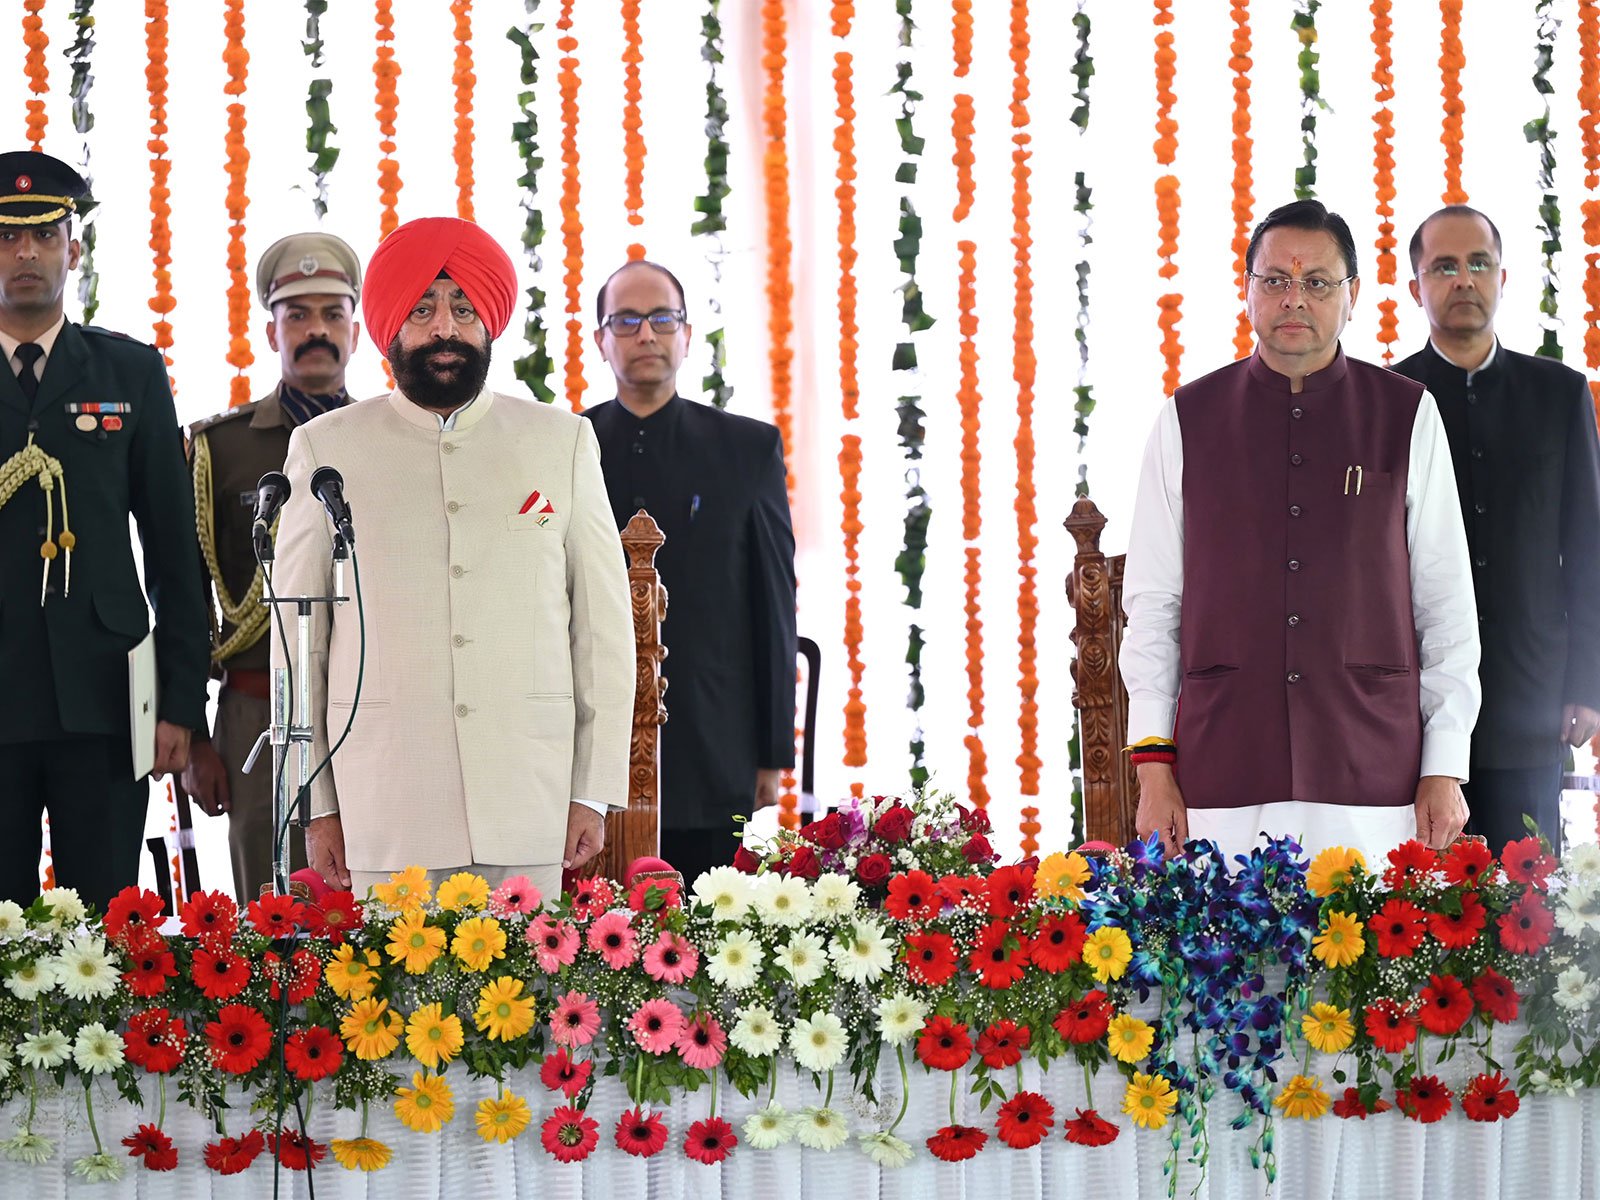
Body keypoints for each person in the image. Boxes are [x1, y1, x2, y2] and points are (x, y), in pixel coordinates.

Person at [271, 216, 633, 902]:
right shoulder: (324, 448)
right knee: (389, 977)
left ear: (489, 323)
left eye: (464, 309)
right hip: (382, 800)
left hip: (530, 795)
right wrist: (315, 802)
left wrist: (592, 788)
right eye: (423, 309)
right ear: (389, 326)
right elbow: (299, 643)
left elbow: (603, 634)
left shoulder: (561, 442)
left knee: (529, 977)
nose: (445, 328)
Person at [1119, 199, 1481, 867]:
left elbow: (1446, 604)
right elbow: (1153, 606)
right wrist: (1153, 765)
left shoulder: (1405, 414)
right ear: (1247, 290)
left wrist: (1444, 763)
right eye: (1275, 280)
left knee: (1365, 935)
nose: (1295, 299)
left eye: (1317, 282)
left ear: (1352, 296)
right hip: (1222, 767)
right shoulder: (1187, 420)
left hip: (1372, 767)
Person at [0, 150, 208, 909]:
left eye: (44, 236)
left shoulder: (129, 373)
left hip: (104, 699)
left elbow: (173, 550)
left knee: (105, 930)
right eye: (6, 238)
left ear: (73, 250)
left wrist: (181, 703)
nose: (26, 254)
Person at [1393, 205, 1600, 854]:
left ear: (1502, 278)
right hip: (1412, 707)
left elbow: (1587, 547)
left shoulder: (1559, 393)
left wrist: (1586, 684)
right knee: (1416, 902)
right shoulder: (1388, 398)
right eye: (1444, 267)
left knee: (1527, 899)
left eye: (1478, 263)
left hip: (1530, 697)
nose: (1464, 279)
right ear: (1416, 287)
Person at [582, 260, 797, 886]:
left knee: (706, 922)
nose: (646, 334)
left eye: (662, 318)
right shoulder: (568, 445)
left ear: (687, 334)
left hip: (711, 739)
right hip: (588, 750)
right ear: (601, 340)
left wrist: (770, 754)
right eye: (626, 320)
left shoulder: (746, 449)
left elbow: (773, 607)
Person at [182, 231, 364, 901]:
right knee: (267, 908)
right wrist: (195, 738)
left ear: (355, 331)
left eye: (332, 314)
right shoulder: (221, 449)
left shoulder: (387, 439)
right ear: (271, 331)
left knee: (374, 905)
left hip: (367, 706)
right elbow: (184, 594)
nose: (316, 331)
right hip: (257, 710)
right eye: (297, 315)